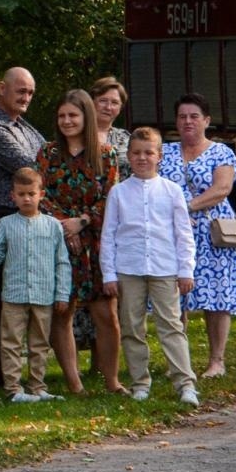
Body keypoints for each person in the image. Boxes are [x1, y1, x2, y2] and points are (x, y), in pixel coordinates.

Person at [101, 128, 200, 405]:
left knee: (171, 326)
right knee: (132, 327)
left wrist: (185, 269)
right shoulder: (119, 193)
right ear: (129, 156)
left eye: (148, 153)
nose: (142, 158)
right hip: (129, 268)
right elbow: (109, 235)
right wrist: (109, 273)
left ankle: (185, 383)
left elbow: (183, 233)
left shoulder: (171, 191)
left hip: (164, 267)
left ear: (159, 156)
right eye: (136, 153)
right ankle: (140, 382)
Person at [36, 88, 123, 395]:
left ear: (86, 116)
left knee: (106, 313)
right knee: (63, 311)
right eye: (61, 116)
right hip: (59, 242)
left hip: (96, 241)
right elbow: (40, 195)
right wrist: (65, 226)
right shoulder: (47, 153)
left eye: (73, 115)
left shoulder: (105, 154)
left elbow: (111, 197)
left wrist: (82, 221)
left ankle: (112, 381)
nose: (67, 121)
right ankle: (75, 384)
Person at [0, 168, 70, 403]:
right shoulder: (4, 224)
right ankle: (13, 388)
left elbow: (61, 261)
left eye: (31, 193)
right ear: (12, 195)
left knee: (40, 343)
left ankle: (37, 386)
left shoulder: (53, 226)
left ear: (41, 194)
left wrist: (62, 294)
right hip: (13, 295)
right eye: (21, 194)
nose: (26, 199)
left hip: (43, 295)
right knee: (11, 342)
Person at [159, 92, 236, 378]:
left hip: (211, 234)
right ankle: (179, 363)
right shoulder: (164, 151)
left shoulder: (221, 152)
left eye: (194, 116)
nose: (188, 121)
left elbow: (222, 189)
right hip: (171, 233)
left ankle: (216, 361)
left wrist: (185, 208)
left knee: (217, 295)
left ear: (206, 120)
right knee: (173, 297)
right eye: (182, 117)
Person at [0, 67, 43, 390]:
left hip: (29, 219)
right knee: (7, 294)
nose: (25, 97)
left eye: (30, 92)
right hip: (3, 218)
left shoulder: (24, 126)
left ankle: (15, 368)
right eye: (20, 90)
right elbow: (31, 167)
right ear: (2, 88)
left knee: (22, 294)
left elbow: (46, 155)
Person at [73, 76, 133, 368]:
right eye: (103, 101)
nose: (108, 107)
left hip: (117, 225)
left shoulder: (125, 140)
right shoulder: (76, 134)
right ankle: (82, 361)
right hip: (83, 224)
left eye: (115, 102)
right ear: (91, 102)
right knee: (84, 297)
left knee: (111, 295)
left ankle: (105, 364)